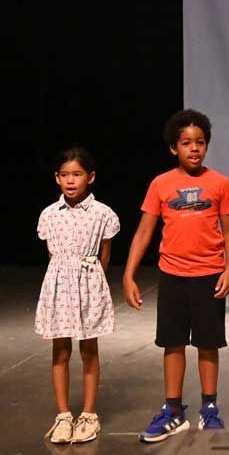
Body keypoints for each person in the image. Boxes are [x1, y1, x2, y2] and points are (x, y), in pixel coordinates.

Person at [123, 109, 229, 443]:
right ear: (174, 148)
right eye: (186, 143)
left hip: (209, 275)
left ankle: (210, 407)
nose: (194, 148)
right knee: (172, 342)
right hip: (172, 276)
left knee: (208, 342)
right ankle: (173, 410)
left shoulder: (220, 183)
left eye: (200, 142)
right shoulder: (161, 183)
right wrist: (129, 275)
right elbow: (145, 231)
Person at [36, 147, 120, 444]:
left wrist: (92, 284)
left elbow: (105, 256)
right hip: (59, 286)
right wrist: (63, 280)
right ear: (57, 178)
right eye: (64, 175)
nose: (71, 181)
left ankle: (88, 414)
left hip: (89, 284)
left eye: (77, 174)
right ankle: (62, 415)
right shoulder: (48, 215)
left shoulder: (103, 214)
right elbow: (51, 256)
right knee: (60, 350)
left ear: (91, 177)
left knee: (88, 351)